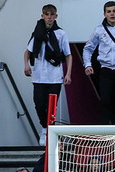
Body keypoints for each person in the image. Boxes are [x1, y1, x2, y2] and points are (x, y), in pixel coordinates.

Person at [23, 3, 72, 142]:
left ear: (56, 16)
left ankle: (50, 131)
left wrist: (68, 73)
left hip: (55, 76)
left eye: (52, 15)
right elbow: (28, 51)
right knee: (39, 104)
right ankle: (45, 127)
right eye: (47, 15)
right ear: (42, 16)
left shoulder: (61, 33)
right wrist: (26, 65)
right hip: (39, 75)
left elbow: (68, 55)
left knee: (52, 106)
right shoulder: (38, 32)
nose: (49, 17)